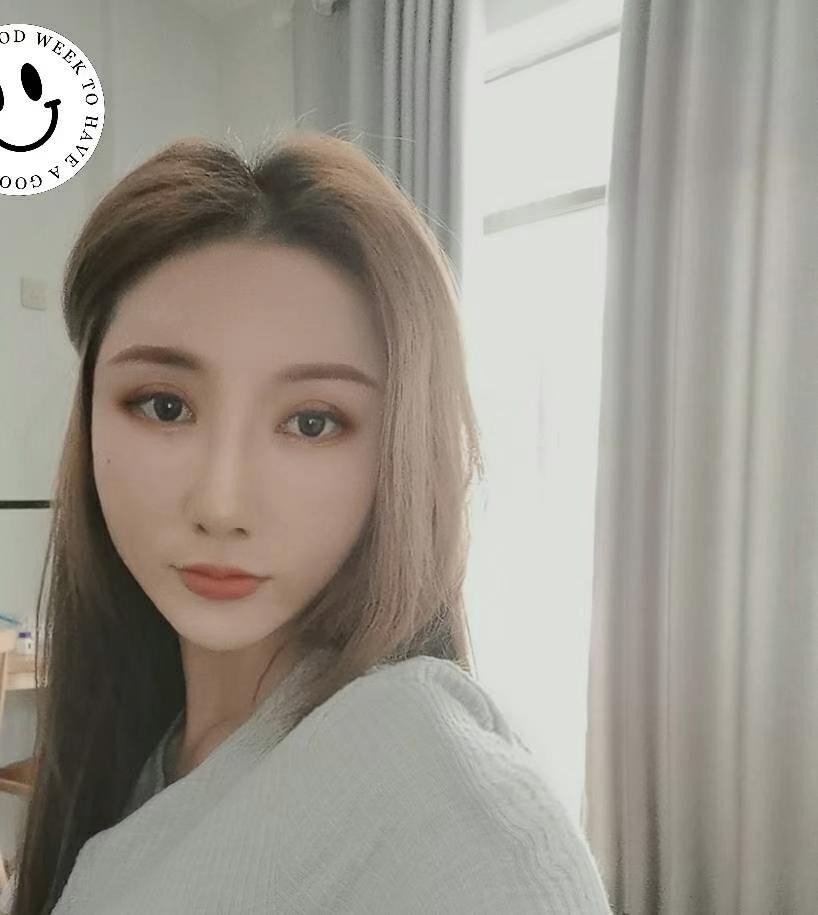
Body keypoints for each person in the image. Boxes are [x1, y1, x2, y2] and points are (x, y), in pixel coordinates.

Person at [7, 130, 612, 913]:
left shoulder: (447, 806)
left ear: (401, 451)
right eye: (165, 406)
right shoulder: (149, 749)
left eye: (313, 422)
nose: (221, 505)